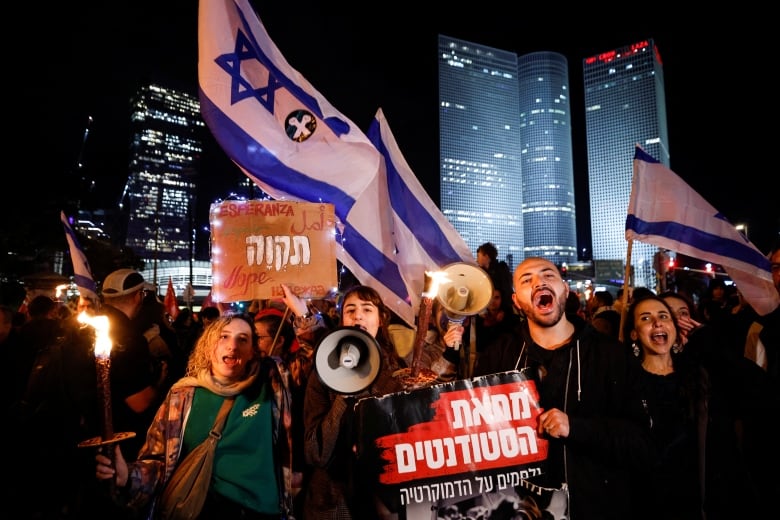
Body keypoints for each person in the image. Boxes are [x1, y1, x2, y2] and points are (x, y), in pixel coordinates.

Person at [473, 257, 656, 519]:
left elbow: (642, 444)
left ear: (565, 290)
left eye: (548, 275)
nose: (539, 282)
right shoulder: (497, 358)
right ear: (516, 301)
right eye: (527, 280)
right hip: (516, 509)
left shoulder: (611, 356)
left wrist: (576, 427)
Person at [95, 312, 298, 519]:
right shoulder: (182, 397)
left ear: (253, 352)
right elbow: (159, 463)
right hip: (201, 509)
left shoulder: (274, 384)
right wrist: (128, 476)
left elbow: (322, 365)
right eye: (223, 336)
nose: (232, 345)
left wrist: (303, 315)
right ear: (208, 347)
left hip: (261, 510)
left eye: (243, 339)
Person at [623, 293, 778, 518]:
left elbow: (762, 394)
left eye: (682, 315)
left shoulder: (709, 374)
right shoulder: (627, 379)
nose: (673, 322)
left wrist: (709, 345)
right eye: (650, 317)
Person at [299, 284, 408, 519]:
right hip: (333, 503)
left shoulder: (398, 373)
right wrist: (344, 391)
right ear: (342, 321)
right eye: (350, 310)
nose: (358, 315)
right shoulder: (321, 374)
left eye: (367, 309)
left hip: (382, 502)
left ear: (380, 320)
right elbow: (315, 453)